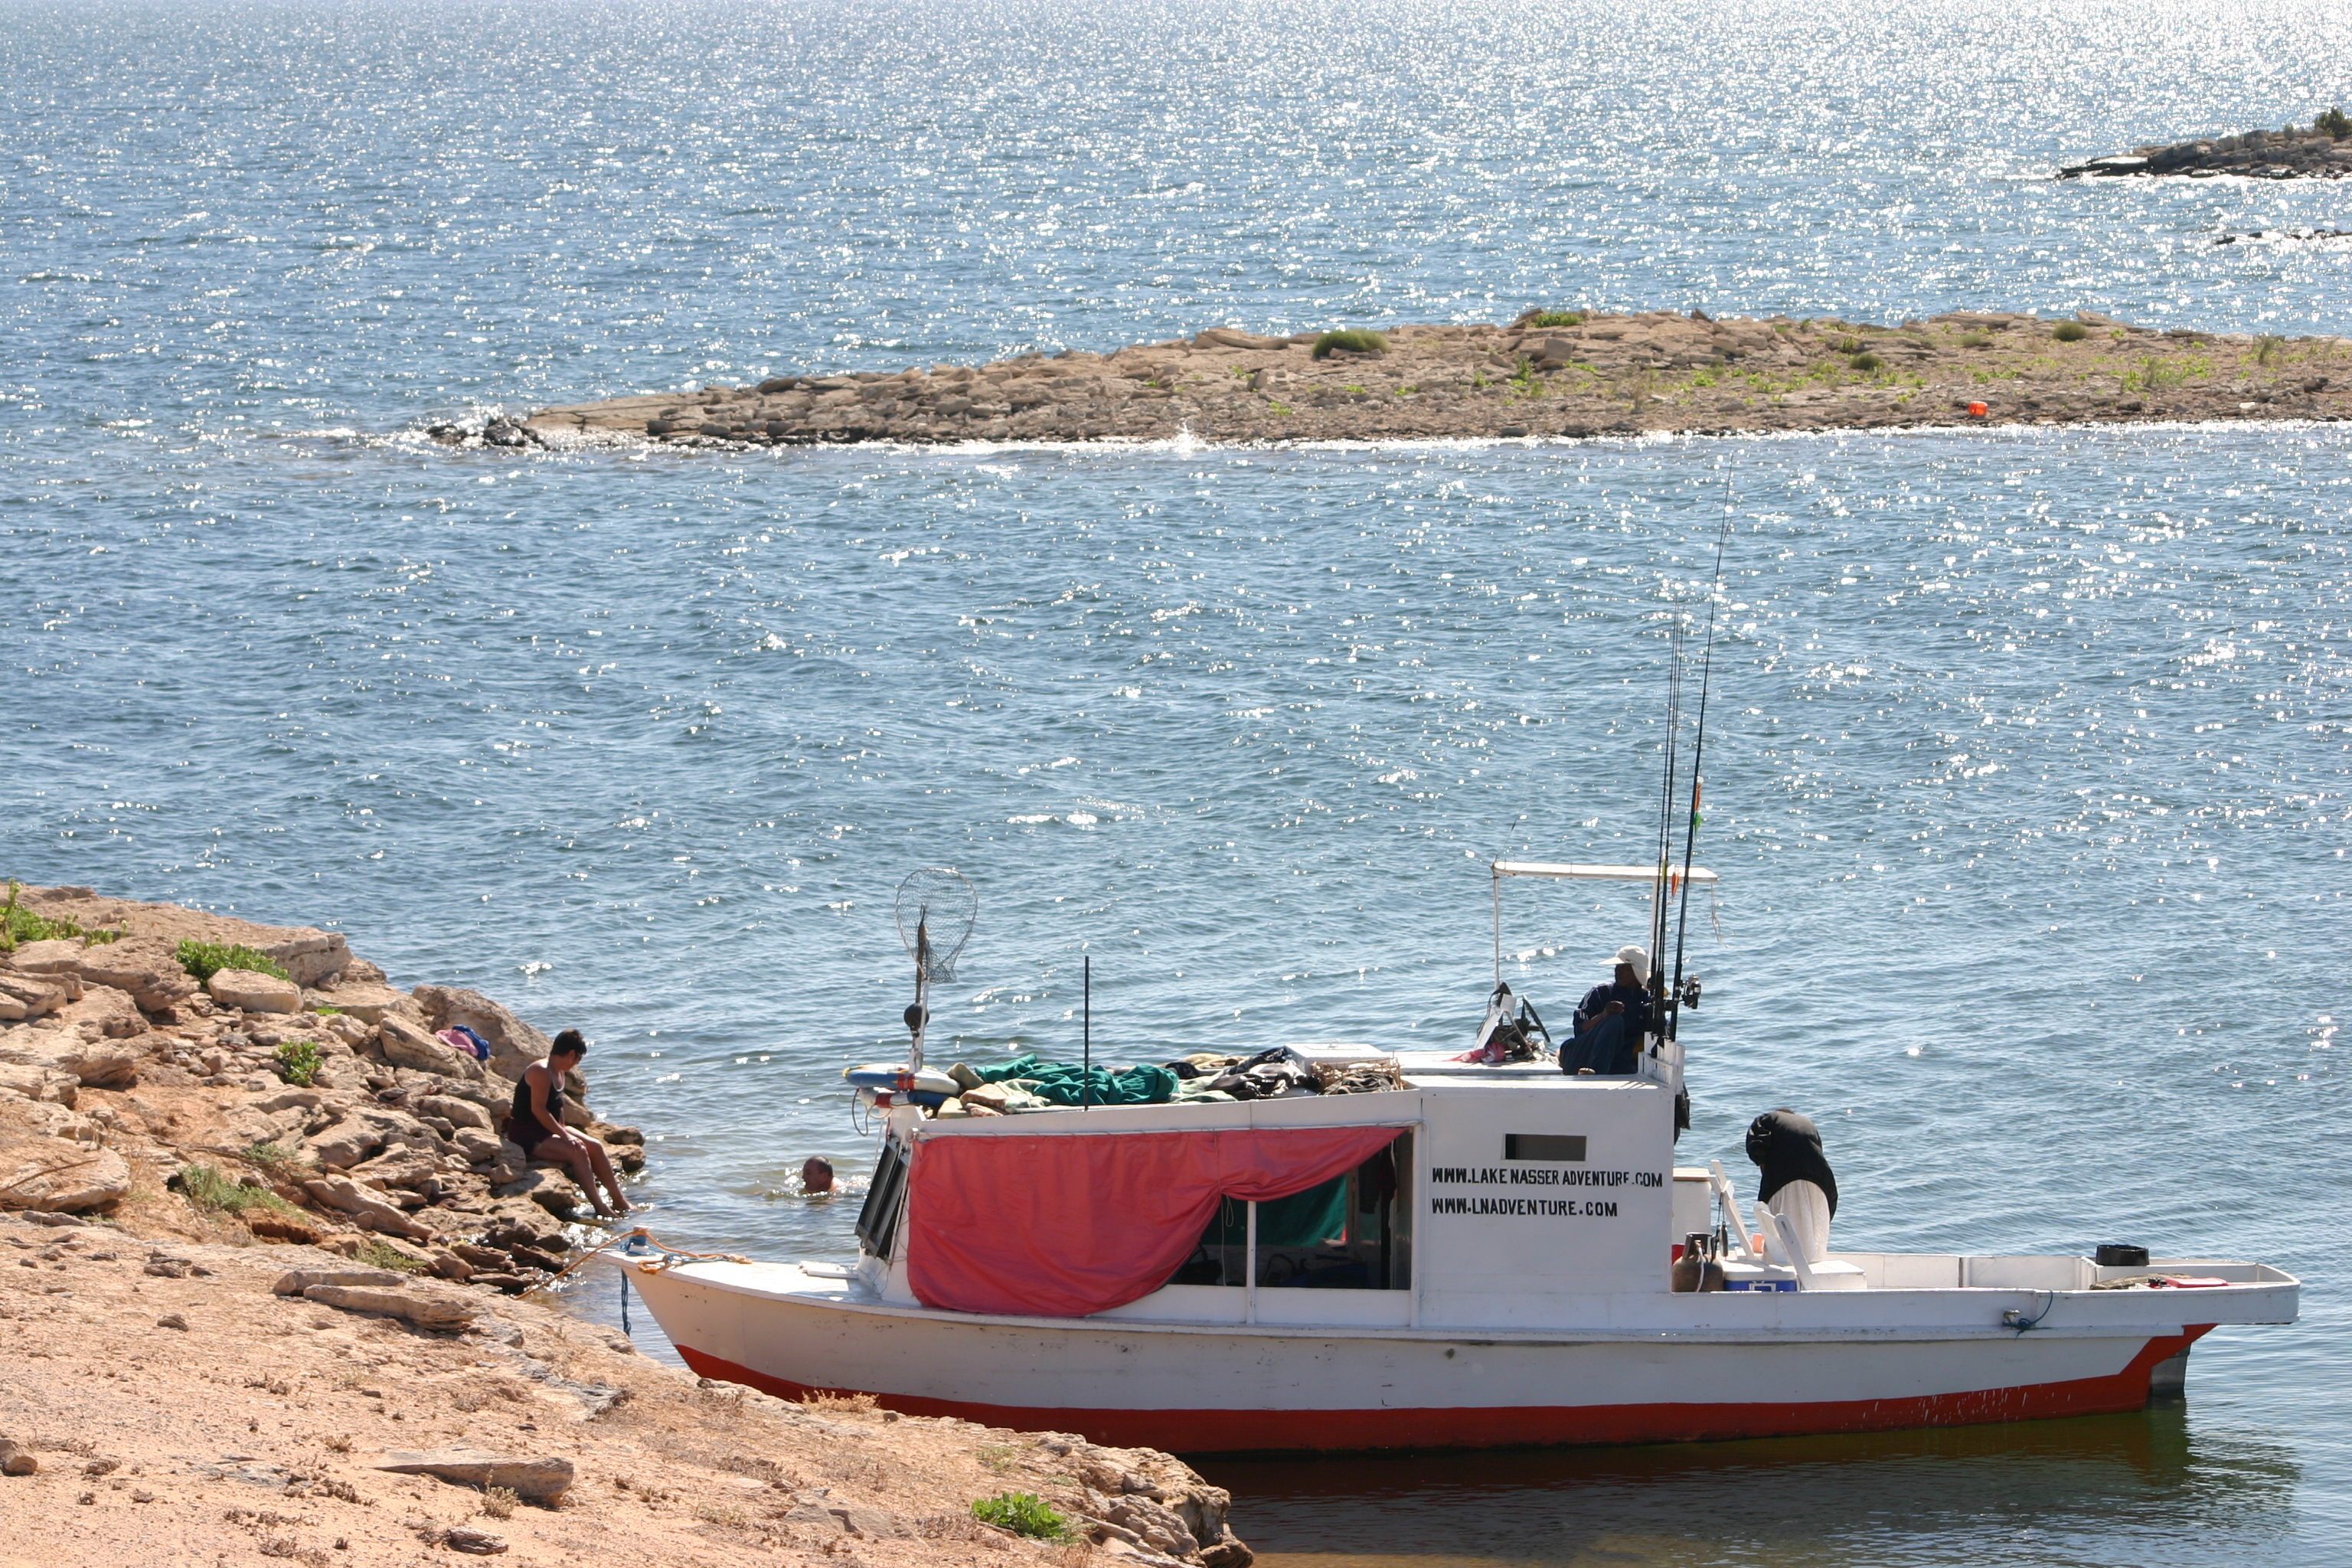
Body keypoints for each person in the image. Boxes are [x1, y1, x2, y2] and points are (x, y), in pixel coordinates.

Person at [501, 1029, 630, 1219]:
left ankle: (619, 1200)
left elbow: (556, 1106)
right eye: (578, 1059)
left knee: (594, 1146)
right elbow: (538, 1109)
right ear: (571, 1054)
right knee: (577, 1151)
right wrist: (565, 1136)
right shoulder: (541, 1071)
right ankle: (599, 1206)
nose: (577, 1063)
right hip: (527, 1134)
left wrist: (564, 1130)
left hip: (548, 1129)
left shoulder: (559, 1072)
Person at [1746, 1108, 1838, 1263]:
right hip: (1821, 1178)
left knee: (1779, 1220)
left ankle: (1781, 1265)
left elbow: (1758, 1148)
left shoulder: (1766, 1121)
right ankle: (1809, 1265)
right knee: (1811, 1223)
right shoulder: (1808, 1123)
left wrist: (1768, 1179)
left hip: (1784, 1173)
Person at [1563, 945, 1653, 1075]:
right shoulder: (1600, 993)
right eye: (1617, 967)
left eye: (1624, 968)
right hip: (1582, 1057)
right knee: (1614, 1020)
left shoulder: (1646, 1001)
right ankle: (1596, 1074)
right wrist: (1603, 1016)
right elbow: (1579, 1030)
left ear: (1636, 971)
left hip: (1618, 1060)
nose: (1618, 971)